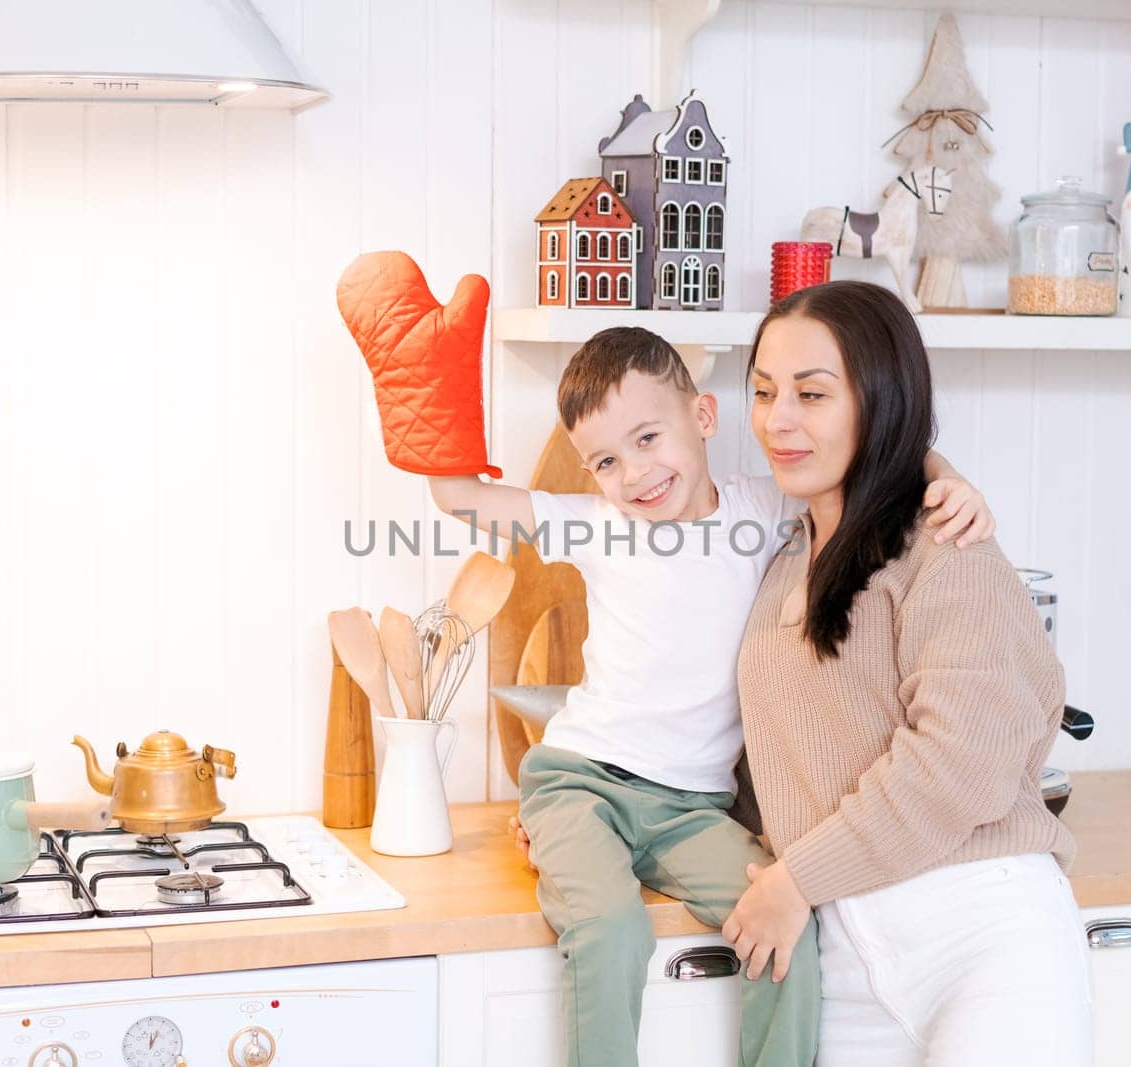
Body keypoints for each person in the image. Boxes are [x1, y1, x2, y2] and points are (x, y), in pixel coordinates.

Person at [432, 325, 993, 1067]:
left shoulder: (761, 510)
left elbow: (874, 455)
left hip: (691, 808)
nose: (632, 473)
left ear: (702, 417)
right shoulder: (596, 526)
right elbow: (457, 494)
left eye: (647, 437)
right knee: (609, 929)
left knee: (783, 922)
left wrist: (948, 475)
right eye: (605, 460)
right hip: (579, 782)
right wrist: (426, 394)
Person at [721, 281, 1092, 1066]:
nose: (777, 419)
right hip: (845, 949)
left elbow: (959, 764)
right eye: (762, 391)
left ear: (878, 397)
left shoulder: (946, 543)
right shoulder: (785, 551)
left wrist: (796, 879)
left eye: (812, 393)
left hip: (983, 936)